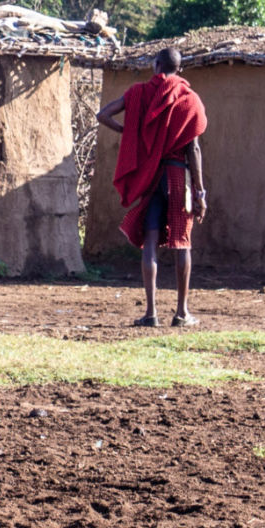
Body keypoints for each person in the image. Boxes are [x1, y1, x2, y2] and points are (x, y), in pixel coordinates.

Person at [98, 47, 207, 327]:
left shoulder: (138, 93)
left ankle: (151, 314)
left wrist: (127, 131)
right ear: (179, 69)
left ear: (156, 66)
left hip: (151, 176)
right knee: (183, 244)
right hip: (177, 177)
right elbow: (193, 148)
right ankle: (182, 313)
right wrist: (199, 191)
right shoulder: (189, 99)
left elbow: (104, 115)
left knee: (150, 241)